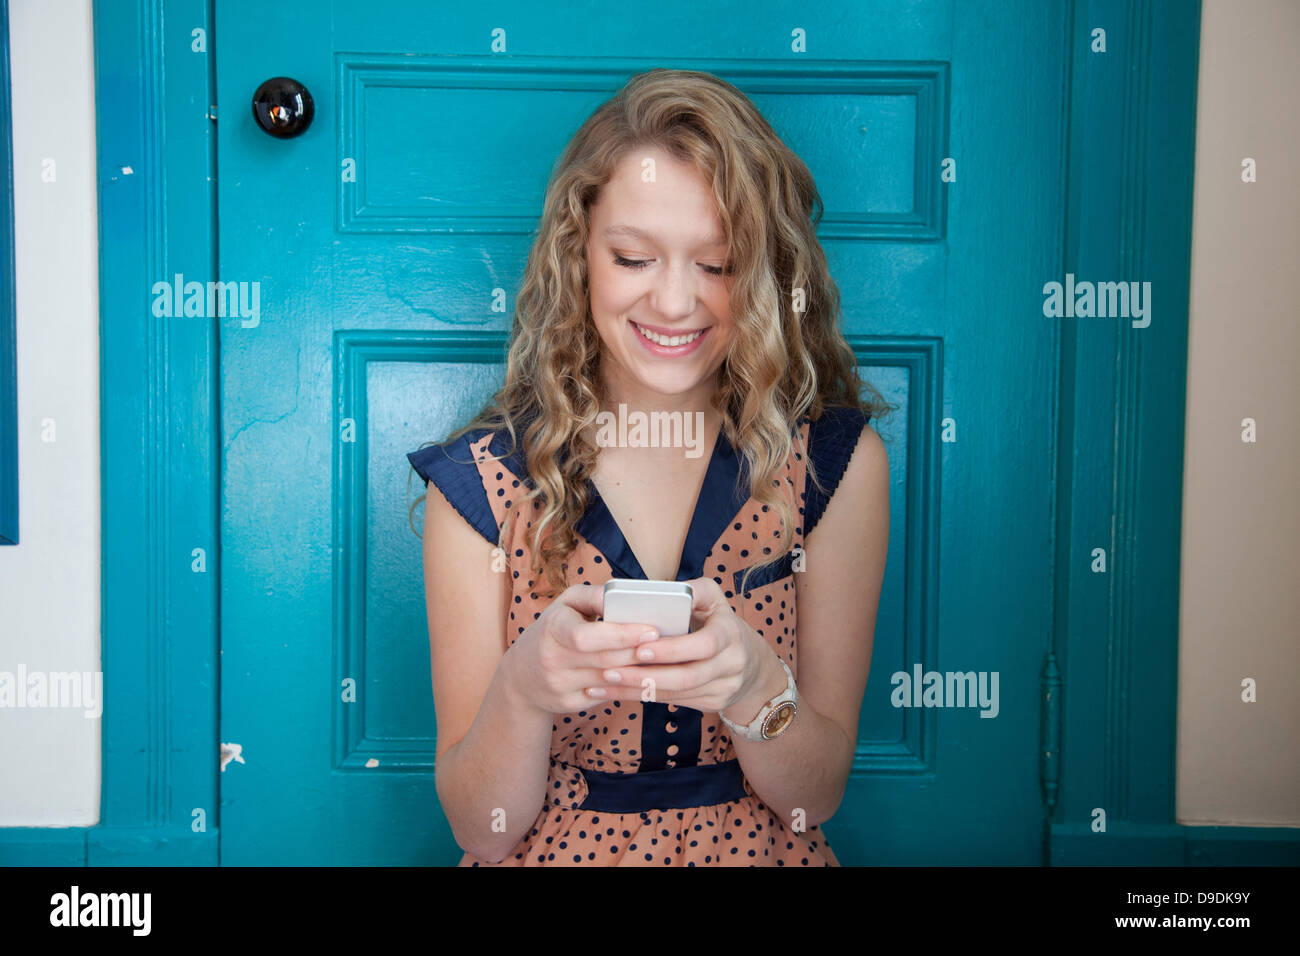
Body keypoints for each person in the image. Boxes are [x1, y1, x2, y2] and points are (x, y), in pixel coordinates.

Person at [407, 68, 891, 866]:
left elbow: (816, 798)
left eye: (718, 263)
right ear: (580, 254)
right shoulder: (483, 482)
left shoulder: (835, 466)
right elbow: (477, 828)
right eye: (634, 257)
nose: (674, 303)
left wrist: (755, 689)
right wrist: (522, 694)